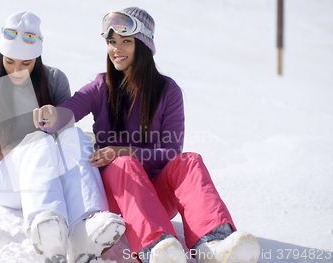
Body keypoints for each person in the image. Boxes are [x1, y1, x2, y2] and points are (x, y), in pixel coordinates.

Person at [33, 7, 261, 263]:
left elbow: (170, 153)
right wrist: (53, 115)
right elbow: (70, 110)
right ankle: (156, 249)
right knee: (124, 165)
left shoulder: (167, 91)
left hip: (155, 195)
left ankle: (213, 244)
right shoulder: (102, 86)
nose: (116, 49)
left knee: (189, 161)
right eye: (111, 42)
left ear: (143, 46)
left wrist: (124, 151)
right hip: (118, 199)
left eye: (126, 42)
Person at [0, 11, 125, 263]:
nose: (17, 70)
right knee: (40, 140)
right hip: (3, 178)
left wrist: (13, 142)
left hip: (45, 174)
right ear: (2, 56)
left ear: (38, 57)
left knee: (73, 133)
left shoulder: (54, 80)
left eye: (26, 63)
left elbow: (63, 132)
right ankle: (45, 228)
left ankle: (84, 228)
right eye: (10, 61)